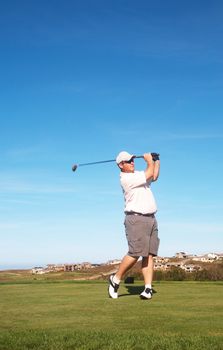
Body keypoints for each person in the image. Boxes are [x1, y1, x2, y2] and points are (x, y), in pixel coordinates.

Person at [108, 151, 160, 300]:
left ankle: (147, 289)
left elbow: (154, 176)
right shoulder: (126, 178)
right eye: (128, 160)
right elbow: (149, 171)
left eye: (132, 159)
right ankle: (116, 279)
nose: (132, 162)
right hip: (136, 219)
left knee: (149, 254)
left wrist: (156, 161)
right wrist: (149, 161)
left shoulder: (138, 175)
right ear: (120, 165)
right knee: (135, 253)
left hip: (151, 219)